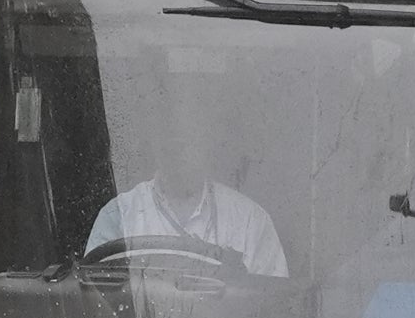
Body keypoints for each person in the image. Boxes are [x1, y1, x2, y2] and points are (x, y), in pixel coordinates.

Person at [90, 104, 288, 277]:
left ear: (207, 143)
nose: (178, 150)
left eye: (188, 137)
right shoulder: (118, 217)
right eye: (169, 139)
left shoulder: (250, 221)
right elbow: (95, 303)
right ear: (154, 144)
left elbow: (273, 307)